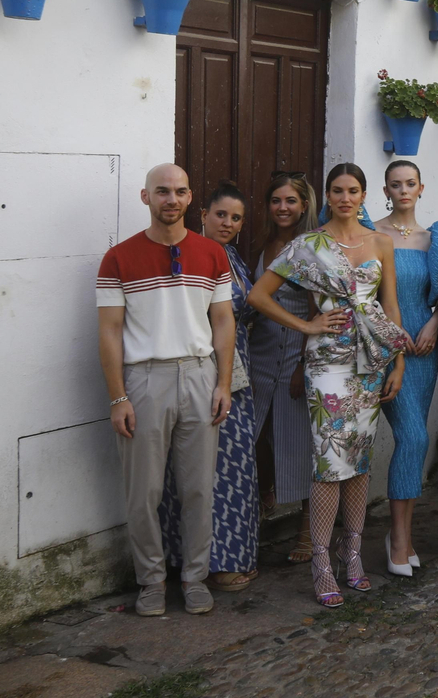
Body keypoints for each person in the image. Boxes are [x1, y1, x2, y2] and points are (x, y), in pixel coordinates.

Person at [249, 164, 408, 607]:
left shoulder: (381, 242)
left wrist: (398, 364)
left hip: (370, 362)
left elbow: (389, 304)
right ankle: (321, 561)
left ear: (363, 195)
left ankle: (351, 553)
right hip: (326, 363)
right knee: (328, 462)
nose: (344, 197)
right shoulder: (307, 245)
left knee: (358, 460)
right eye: (336, 191)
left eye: (352, 190)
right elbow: (257, 296)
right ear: (326, 196)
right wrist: (306, 323)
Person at [97, 164, 236, 617]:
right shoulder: (117, 259)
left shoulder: (212, 254)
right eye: (162, 192)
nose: (171, 200)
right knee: (144, 492)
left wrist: (224, 382)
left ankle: (194, 578)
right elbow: (110, 332)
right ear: (146, 197)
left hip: (199, 375)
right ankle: (151, 582)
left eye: (178, 192)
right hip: (145, 381)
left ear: (190, 197)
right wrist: (118, 397)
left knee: (198, 489)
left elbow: (223, 322)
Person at [157, 182, 259, 594]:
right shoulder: (189, 254)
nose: (228, 224)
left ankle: (229, 560)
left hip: (237, 372)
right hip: (202, 369)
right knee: (197, 469)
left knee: (235, 466)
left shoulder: (232, 257)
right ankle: (196, 563)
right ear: (202, 213)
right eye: (221, 215)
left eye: (236, 218)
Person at [373, 161, 438, 577]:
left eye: (410, 184)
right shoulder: (372, 233)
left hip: (424, 349)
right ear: (386, 189)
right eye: (396, 184)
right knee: (412, 436)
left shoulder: (434, 240)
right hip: (383, 351)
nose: (403, 190)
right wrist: (392, 338)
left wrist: (434, 322)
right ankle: (395, 538)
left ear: (421, 188)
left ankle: (401, 536)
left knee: (415, 442)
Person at [250, 173, 317, 564]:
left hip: (295, 352)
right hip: (260, 356)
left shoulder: (307, 248)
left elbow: (313, 310)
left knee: (300, 443)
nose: (283, 208)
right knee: (255, 439)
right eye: (276, 200)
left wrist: (302, 366)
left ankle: (308, 534)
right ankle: (260, 509)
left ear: (303, 205)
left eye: (290, 200)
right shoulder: (262, 245)